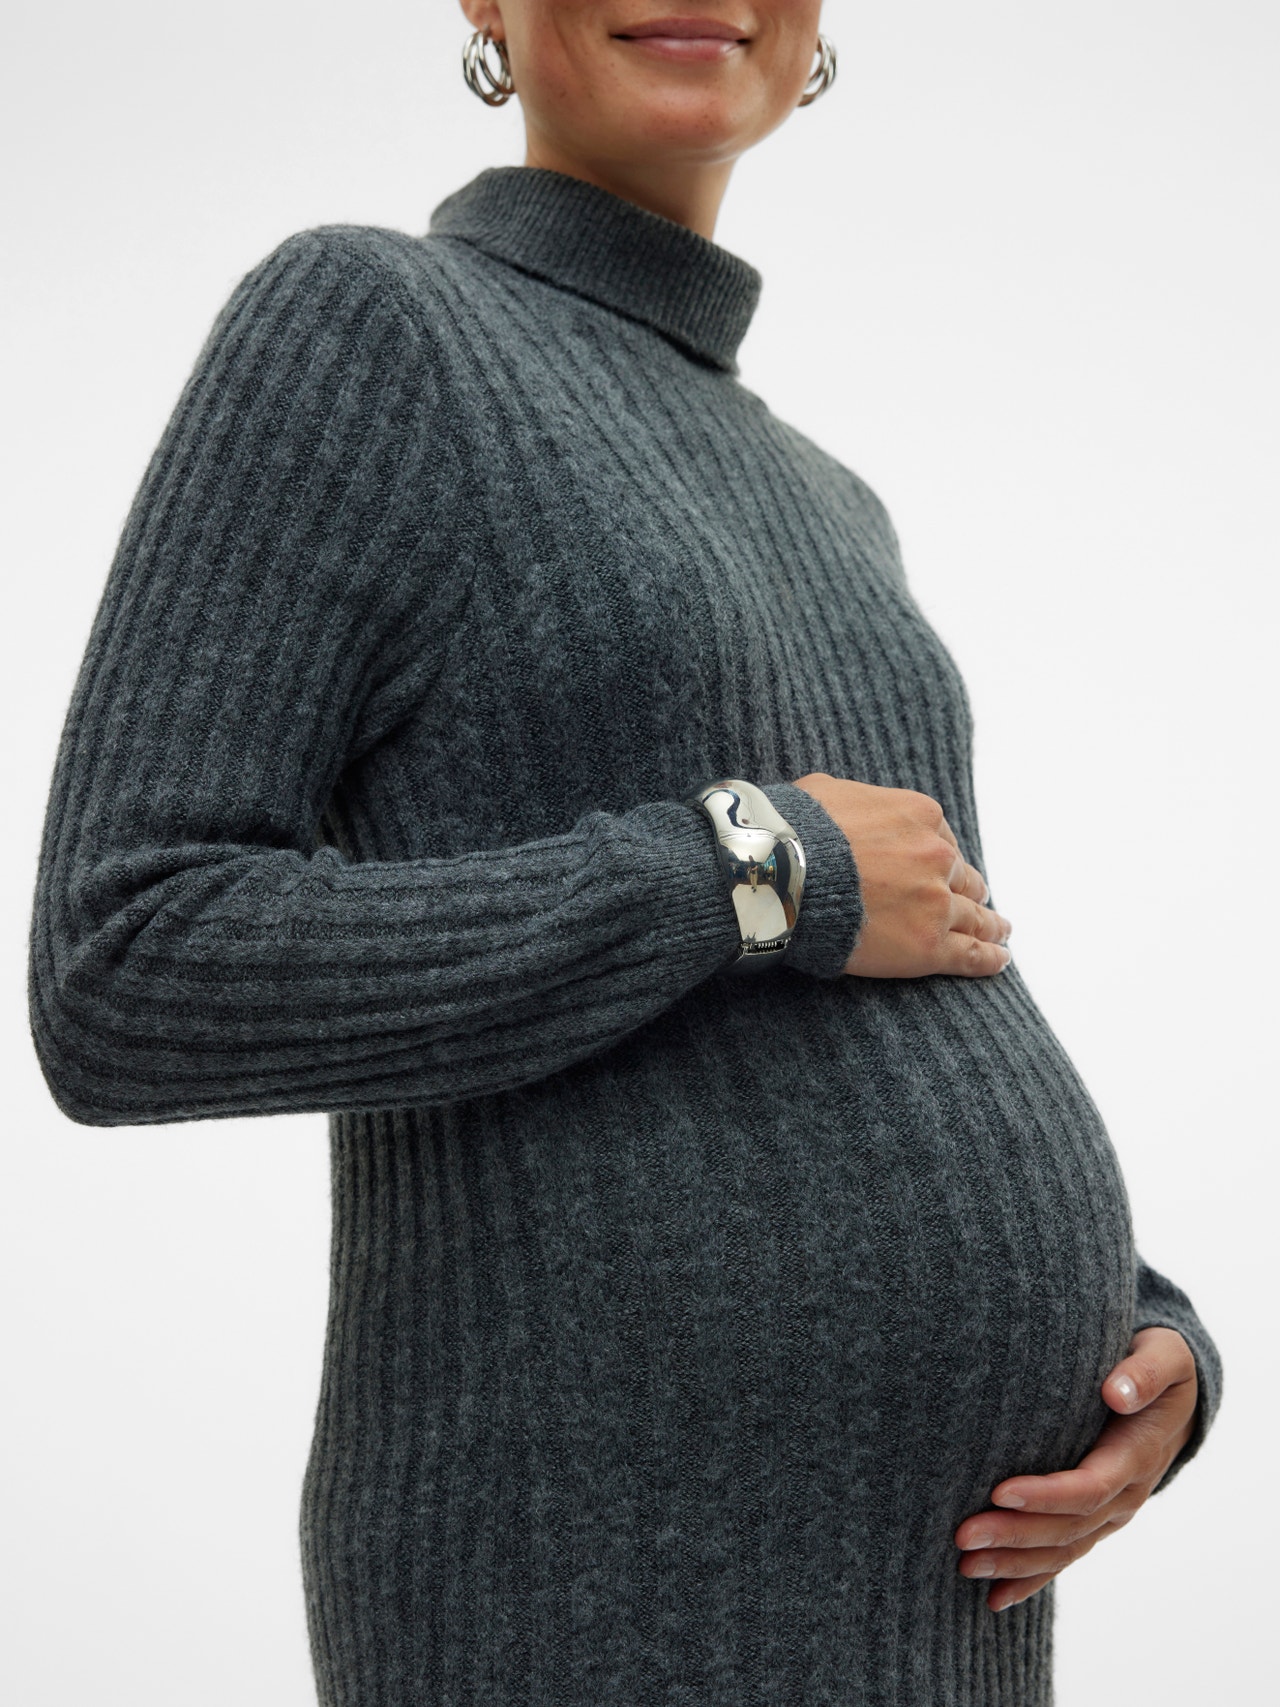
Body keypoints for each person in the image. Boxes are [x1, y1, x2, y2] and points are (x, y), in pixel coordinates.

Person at [27, 3, 1221, 1702]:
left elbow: (933, 959)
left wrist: (1142, 1331)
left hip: (946, 1604)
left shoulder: (830, 497)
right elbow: (126, 965)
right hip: (605, 1574)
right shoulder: (371, 327)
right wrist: (744, 869)